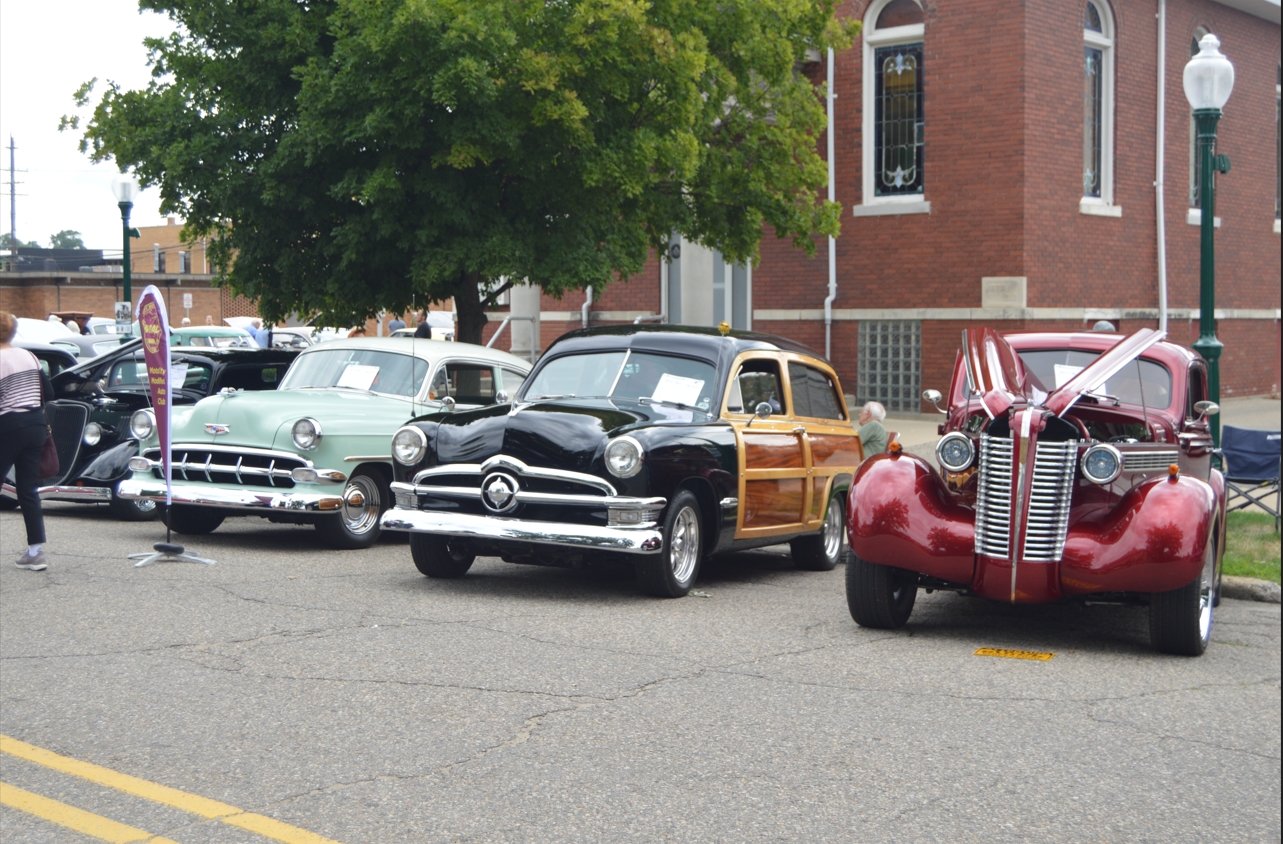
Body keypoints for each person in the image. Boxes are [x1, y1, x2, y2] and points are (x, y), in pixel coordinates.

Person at [0, 312, 53, 571]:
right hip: (35, 426)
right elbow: (49, 392)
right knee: (28, 490)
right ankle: (35, 553)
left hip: (7, 425)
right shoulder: (29, 356)